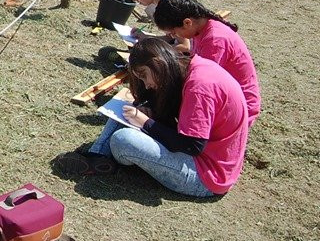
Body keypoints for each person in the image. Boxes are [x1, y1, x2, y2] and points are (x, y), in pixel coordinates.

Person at [58, 38, 249, 197]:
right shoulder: (190, 67)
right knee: (125, 108)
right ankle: (96, 157)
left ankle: (100, 158)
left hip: (205, 176)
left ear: (158, 64)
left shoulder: (199, 87)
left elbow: (192, 145)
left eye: (143, 75)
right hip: (203, 159)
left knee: (123, 139)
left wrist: (146, 123)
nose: (146, 84)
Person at [154, 0, 261, 128]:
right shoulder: (200, 29)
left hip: (238, 108)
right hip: (223, 95)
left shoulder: (215, 40)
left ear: (187, 22)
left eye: (174, 32)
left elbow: (202, 83)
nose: (174, 36)